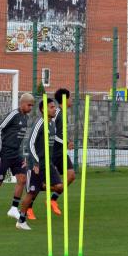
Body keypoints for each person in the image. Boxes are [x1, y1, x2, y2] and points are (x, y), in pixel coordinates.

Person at [16, 99, 64, 230]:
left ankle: (41, 186)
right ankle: (21, 221)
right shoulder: (39, 123)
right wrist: (35, 162)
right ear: (44, 109)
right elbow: (30, 144)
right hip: (35, 165)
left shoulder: (52, 124)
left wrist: (66, 143)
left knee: (60, 187)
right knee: (31, 194)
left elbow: (54, 142)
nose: (54, 109)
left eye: (55, 107)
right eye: (51, 107)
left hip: (48, 164)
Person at [49, 88, 78, 216]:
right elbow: (52, 132)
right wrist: (66, 143)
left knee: (71, 175)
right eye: (70, 97)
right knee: (41, 181)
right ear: (65, 99)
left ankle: (52, 199)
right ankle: (28, 207)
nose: (72, 100)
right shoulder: (57, 114)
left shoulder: (64, 114)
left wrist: (67, 140)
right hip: (53, 152)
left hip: (61, 152)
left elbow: (61, 133)